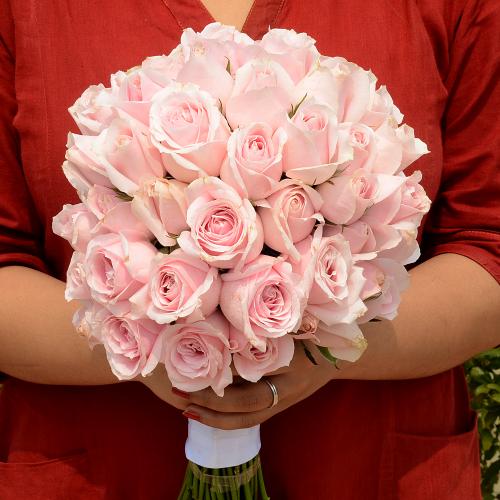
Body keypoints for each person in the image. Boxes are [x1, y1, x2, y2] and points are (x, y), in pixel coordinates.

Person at [0, 1, 498, 498]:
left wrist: (327, 348)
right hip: (100, 468)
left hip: (368, 467)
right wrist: (145, 344)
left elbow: (486, 246)